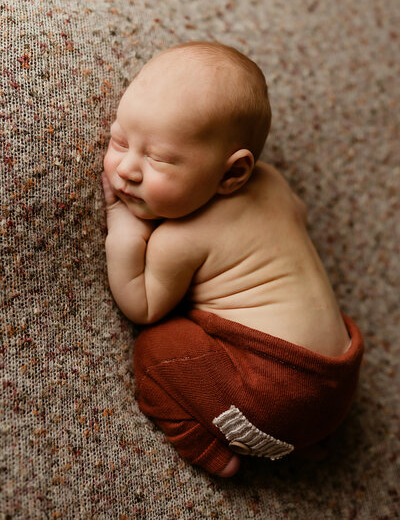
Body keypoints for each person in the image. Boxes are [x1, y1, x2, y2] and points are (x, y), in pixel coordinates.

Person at [102, 41, 364, 478]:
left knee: (157, 351)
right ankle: (307, 438)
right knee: (298, 406)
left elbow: (142, 306)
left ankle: (209, 450)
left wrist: (122, 228)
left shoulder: (178, 238)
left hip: (270, 387)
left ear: (232, 174)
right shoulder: (275, 183)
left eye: (160, 159)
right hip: (338, 381)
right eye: (120, 140)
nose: (127, 169)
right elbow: (297, 215)